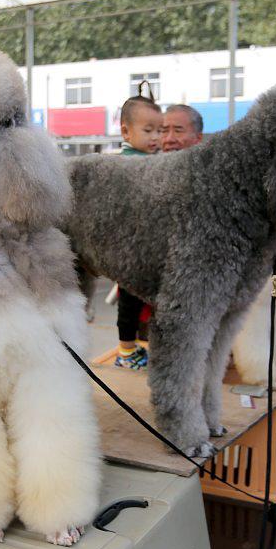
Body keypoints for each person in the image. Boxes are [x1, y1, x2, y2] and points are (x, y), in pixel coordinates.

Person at [114, 88, 163, 369]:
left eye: (159, 130)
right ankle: (125, 351)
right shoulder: (127, 164)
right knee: (129, 302)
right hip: (129, 249)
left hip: (150, 248)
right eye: (148, 131)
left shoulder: (152, 161)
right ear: (126, 131)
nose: (156, 138)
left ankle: (140, 349)